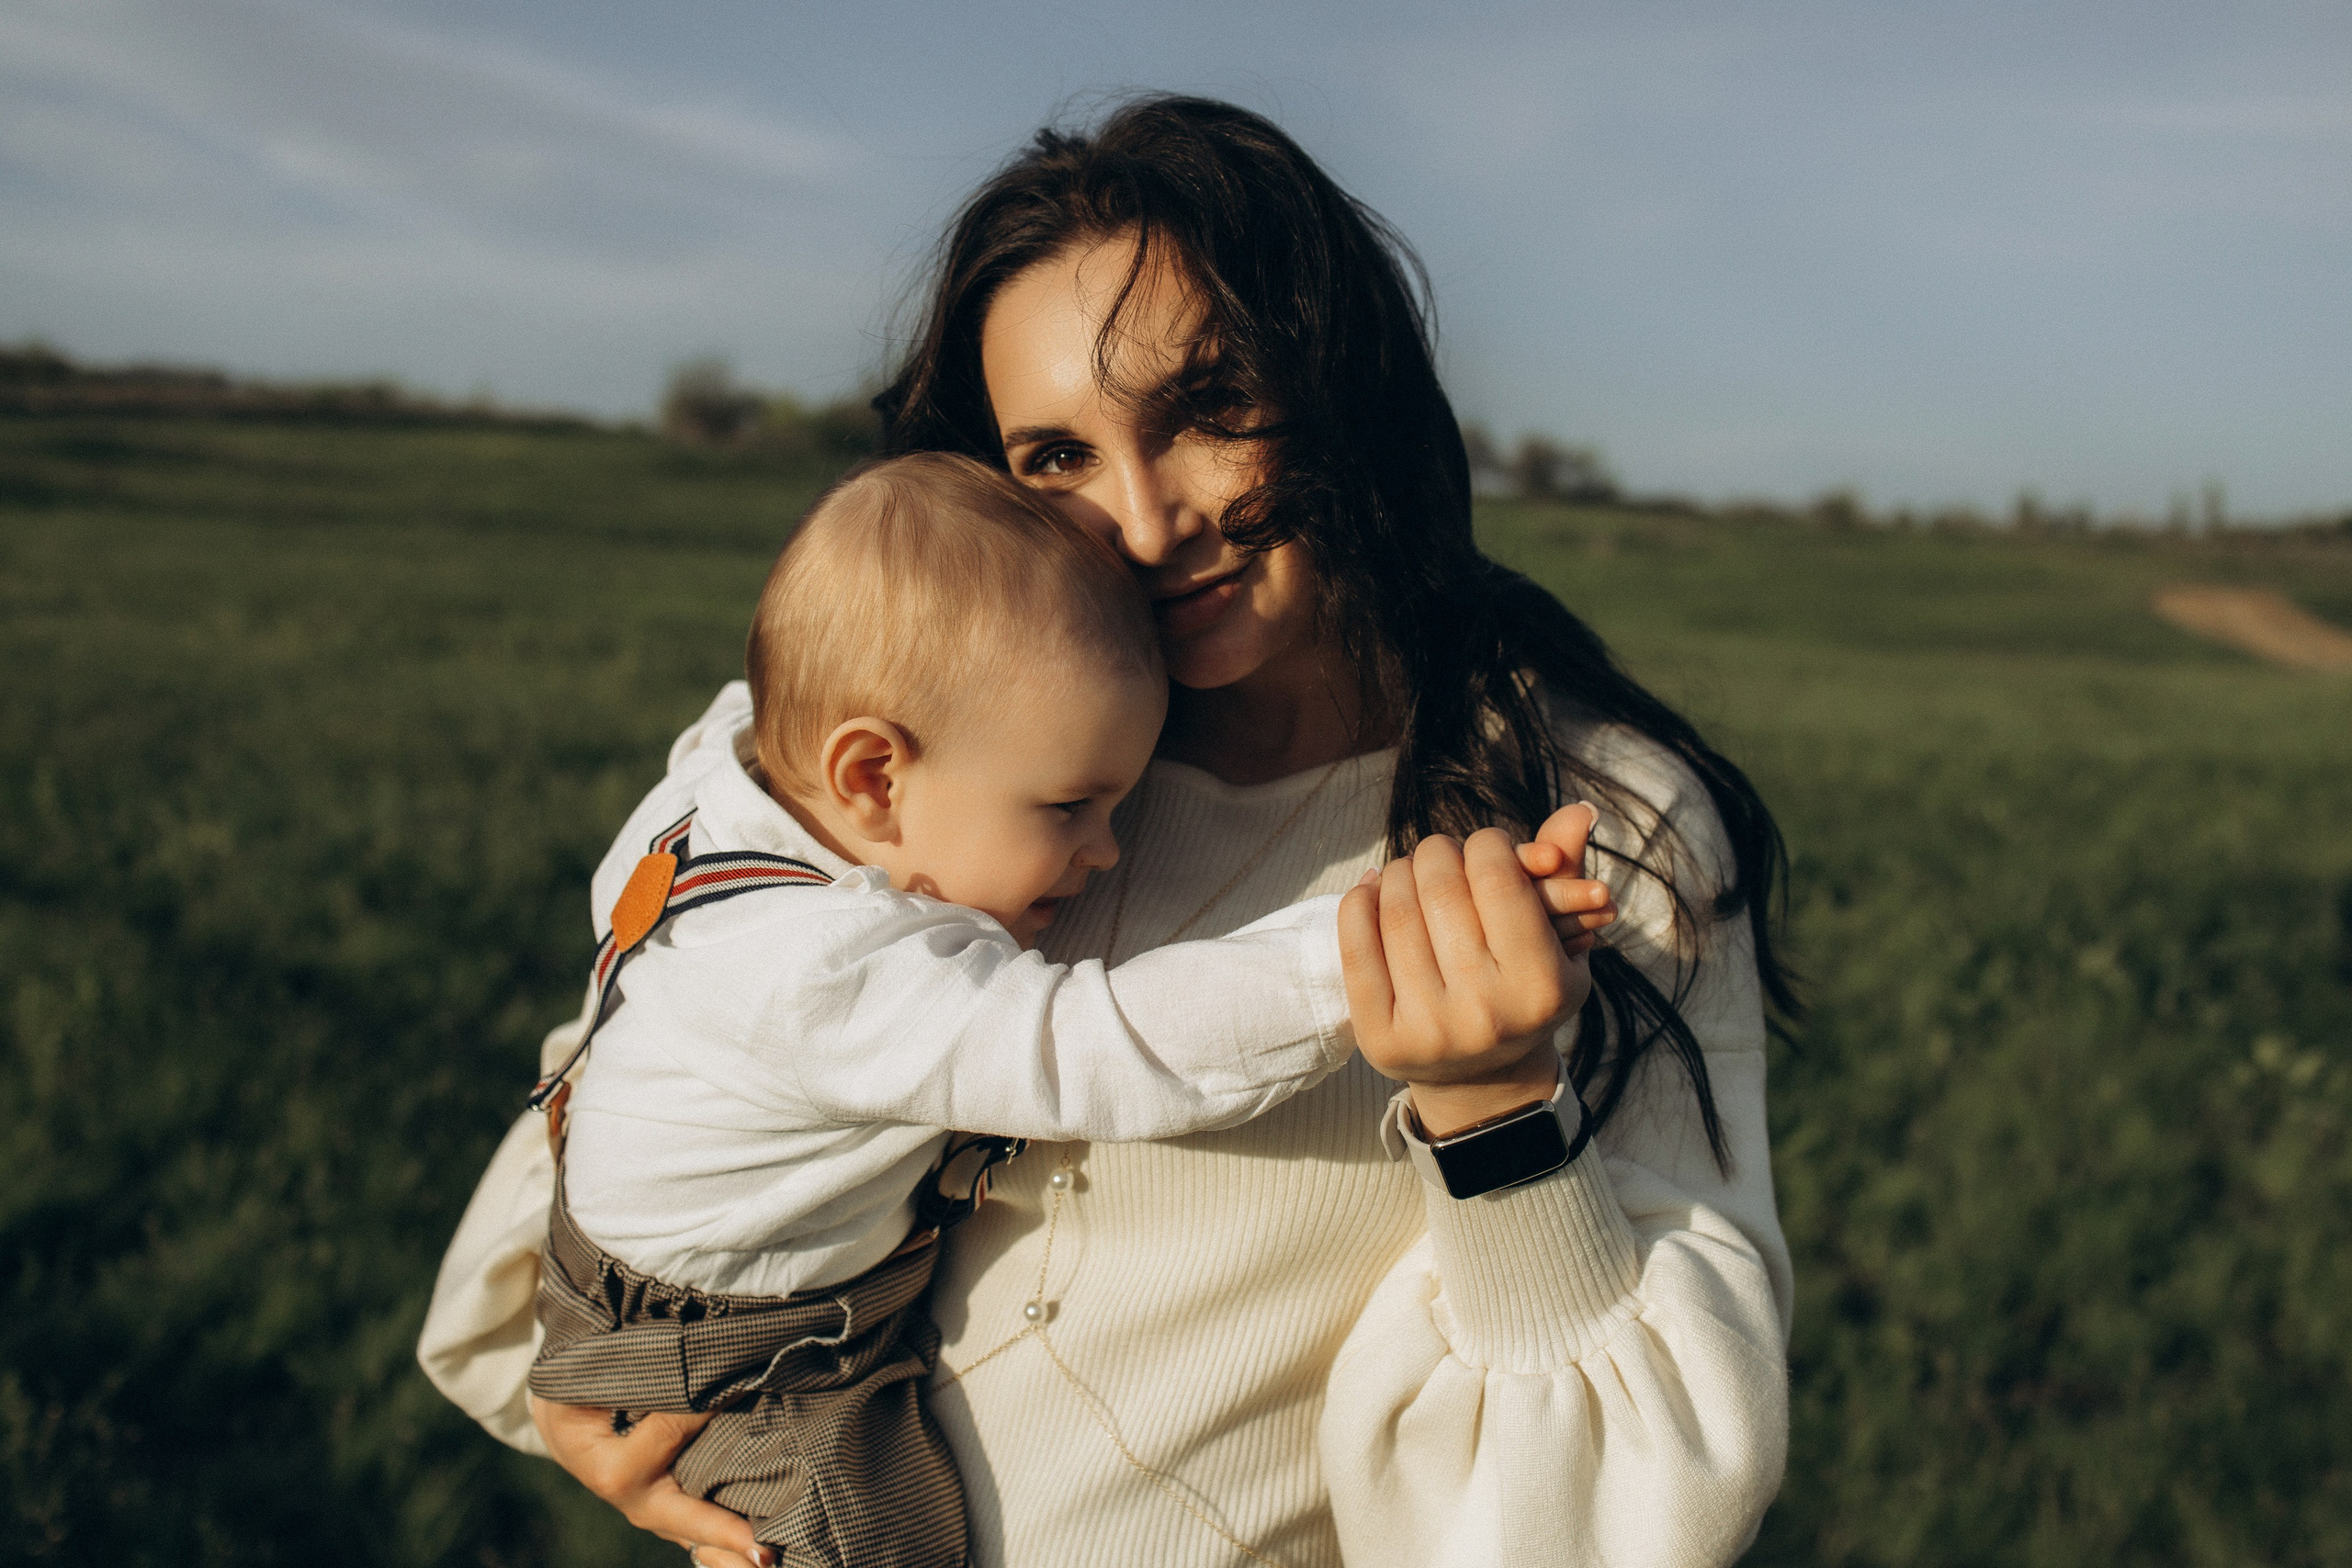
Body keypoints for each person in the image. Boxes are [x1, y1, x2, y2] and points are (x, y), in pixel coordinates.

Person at [421, 95, 1798, 1567]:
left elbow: (1611, 1522)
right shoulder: (984, 753)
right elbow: (693, 1011)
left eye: (1211, 410)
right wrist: (599, 1354)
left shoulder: (1594, 819)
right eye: (1058, 458)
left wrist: (1495, 1112)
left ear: (1340, 381)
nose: (1143, 525)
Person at [518, 451, 1614, 1568]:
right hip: (749, 1360)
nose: (1102, 849)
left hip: (640, 1279)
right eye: (1071, 806)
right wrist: (1368, 943)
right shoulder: (833, 972)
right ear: (870, 777)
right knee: (882, 1544)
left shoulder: (724, 784)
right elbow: (1101, 1047)